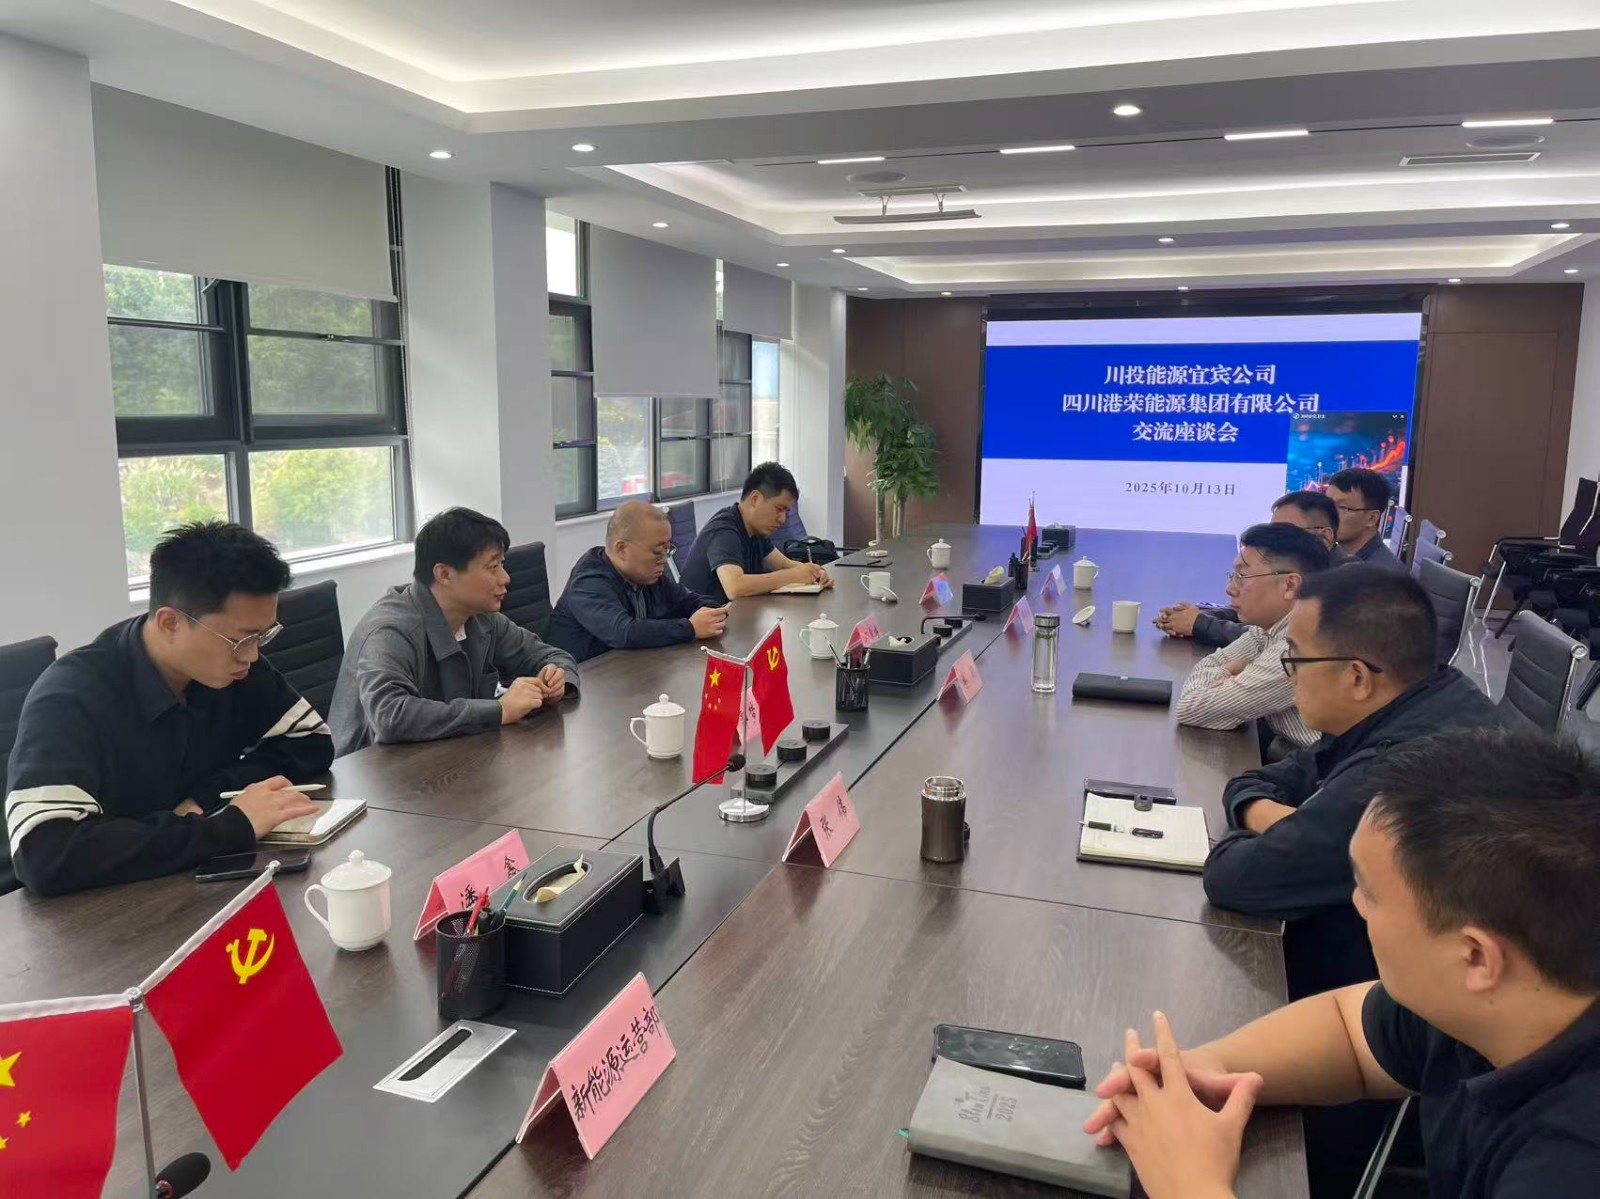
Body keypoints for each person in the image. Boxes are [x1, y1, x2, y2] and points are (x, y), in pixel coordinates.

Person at [1082, 729, 1600, 1199]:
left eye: (1370, 893)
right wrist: (1206, 1068)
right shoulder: (1496, 998)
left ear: (1476, 957)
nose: (1355, 904)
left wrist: (1191, 1184)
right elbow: (1349, 1029)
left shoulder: (1571, 1162)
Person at [1203, 565, 1501, 1000]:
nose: (1289, 676)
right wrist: (1275, 819)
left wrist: (1285, 827)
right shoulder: (1426, 697)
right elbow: (1258, 780)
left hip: (1377, 999)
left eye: (1296, 660)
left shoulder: (1402, 774)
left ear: (1357, 677)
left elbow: (1232, 878)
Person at [2, 522, 333, 896]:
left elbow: (311, 740)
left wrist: (206, 798)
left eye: (264, 636)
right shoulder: (72, 694)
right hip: (93, 910)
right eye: (241, 640)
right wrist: (230, 826)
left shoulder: (233, 667)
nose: (253, 655)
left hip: (185, 886)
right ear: (171, 623)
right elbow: (44, 852)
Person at [328, 508, 579, 756]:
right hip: (375, 772)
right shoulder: (389, 631)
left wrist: (556, 678)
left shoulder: (482, 617)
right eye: (493, 567)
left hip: (450, 756)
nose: (505, 578)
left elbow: (550, 655)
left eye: (502, 564)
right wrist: (499, 710)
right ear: (444, 574)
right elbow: (390, 715)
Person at [1174, 523, 1330, 750]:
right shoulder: (1267, 628)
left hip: (1327, 769)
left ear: (1290, 585)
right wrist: (1229, 671)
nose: (1230, 588)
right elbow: (1212, 662)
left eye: (1242, 576)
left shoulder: (1300, 647)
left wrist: (1227, 671)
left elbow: (1191, 708)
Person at [1158, 491, 1349, 647]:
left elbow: (1274, 638)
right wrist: (1195, 616)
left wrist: (1201, 624)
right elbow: (1252, 614)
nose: (1274, 538)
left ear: (1325, 537)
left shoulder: (1348, 583)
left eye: (1286, 530)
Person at [547, 501, 728, 662]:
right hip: (581, 679)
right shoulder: (588, 581)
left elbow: (688, 601)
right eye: (657, 552)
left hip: (632, 668)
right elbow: (623, 632)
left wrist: (713, 613)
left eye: (667, 550)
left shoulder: (647, 575)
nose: (664, 560)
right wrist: (690, 628)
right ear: (622, 549)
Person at [678, 463, 833, 604]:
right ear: (755, 499)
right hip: (699, 621)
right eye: (779, 509)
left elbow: (783, 565)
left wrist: (815, 573)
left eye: (786, 512)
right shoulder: (724, 530)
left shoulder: (756, 531)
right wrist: (793, 575)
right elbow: (734, 587)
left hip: (735, 617)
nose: (783, 519)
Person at [1325, 467, 1406, 571]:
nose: (1328, 513)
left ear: (1371, 518)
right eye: (1327, 504)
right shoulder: (1338, 558)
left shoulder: (1380, 575)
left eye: (1342, 507)